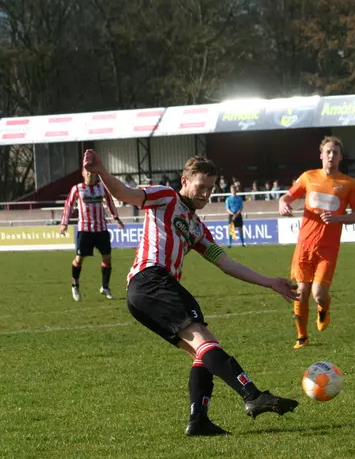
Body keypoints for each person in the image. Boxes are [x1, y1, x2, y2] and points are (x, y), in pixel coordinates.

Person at [81, 149, 299, 436]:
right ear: (185, 180)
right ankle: (253, 396)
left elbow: (226, 263)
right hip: (151, 279)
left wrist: (270, 281)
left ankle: (199, 421)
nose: (206, 193)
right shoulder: (165, 197)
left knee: (205, 350)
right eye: (201, 186)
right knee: (205, 342)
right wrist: (102, 172)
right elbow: (124, 193)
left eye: (211, 188)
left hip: (143, 294)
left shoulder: (196, 227)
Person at [278, 136, 355, 349]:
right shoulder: (308, 177)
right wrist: (283, 204)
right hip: (304, 245)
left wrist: (338, 218)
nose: (331, 156)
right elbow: (287, 197)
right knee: (301, 291)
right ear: (321, 155)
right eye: (328, 152)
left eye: (335, 152)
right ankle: (302, 337)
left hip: (328, 249)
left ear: (340, 157)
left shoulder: (348, 184)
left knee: (318, 294)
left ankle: (324, 308)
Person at [59, 167, 125, 301]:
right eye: (87, 172)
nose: (90, 175)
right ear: (83, 174)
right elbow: (69, 205)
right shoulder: (77, 188)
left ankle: (105, 287)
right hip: (85, 230)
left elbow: (110, 203)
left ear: (96, 174)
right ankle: (75, 285)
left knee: (107, 258)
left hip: (101, 229)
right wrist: (64, 223)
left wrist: (116, 218)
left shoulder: (102, 188)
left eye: (92, 173)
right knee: (79, 259)